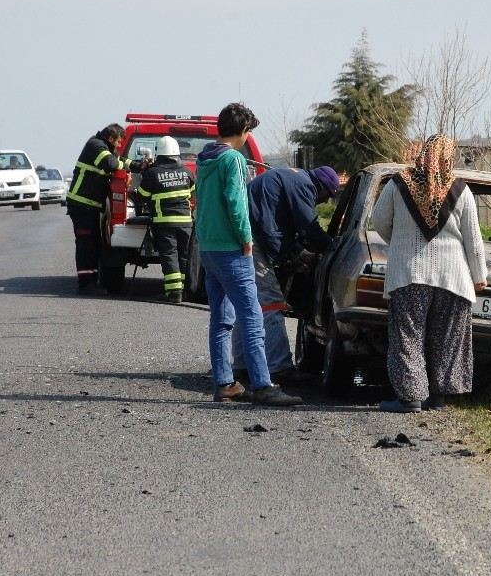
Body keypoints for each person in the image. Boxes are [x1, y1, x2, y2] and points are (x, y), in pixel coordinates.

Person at [194, 102, 302, 406]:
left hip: (209, 248)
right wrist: (246, 239)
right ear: (243, 131)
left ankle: (225, 383)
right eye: (249, 131)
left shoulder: (205, 158)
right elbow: (236, 202)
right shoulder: (234, 160)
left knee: (221, 317)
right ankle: (263, 385)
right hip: (231, 248)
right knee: (253, 315)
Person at [372, 134, 488, 412]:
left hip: (409, 274)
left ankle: (411, 398)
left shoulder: (399, 184)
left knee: (407, 334)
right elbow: (473, 238)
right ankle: (438, 399)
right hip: (454, 278)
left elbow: (379, 220)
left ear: (423, 154)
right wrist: (479, 275)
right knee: (447, 338)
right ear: (450, 157)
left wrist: (399, 241)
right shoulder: (462, 190)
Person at [231, 164, 341, 381]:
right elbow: (308, 227)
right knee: (271, 303)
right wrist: (331, 247)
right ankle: (279, 367)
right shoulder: (304, 186)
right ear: (322, 187)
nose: (324, 202)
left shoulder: (293, 177)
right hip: (253, 242)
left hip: (244, 237)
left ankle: (242, 366)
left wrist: (295, 251)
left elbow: (279, 222)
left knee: (248, 303)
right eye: (327, 196)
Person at [66, 124, 149, 295]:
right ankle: (86, 284)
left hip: (90, 206)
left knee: (93, 244)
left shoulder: (104, 147)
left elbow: (120, 160)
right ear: (111, 138)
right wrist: (127, 168)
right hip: (82, 205)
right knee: (86, 245)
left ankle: (92, 281)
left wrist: (138, 165)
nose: (120, 145)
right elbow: (111, 163)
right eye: (119, 141)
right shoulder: (95, 146)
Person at [134, 135, 195, 303]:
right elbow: (192, 192)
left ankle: (174, 293)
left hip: (164, 222)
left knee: (169, 255)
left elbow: (142, 196)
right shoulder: (187, 172)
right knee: (183, 256)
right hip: (186, 222)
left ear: (158, 154)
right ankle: (182, 290)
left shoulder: (153, 173)